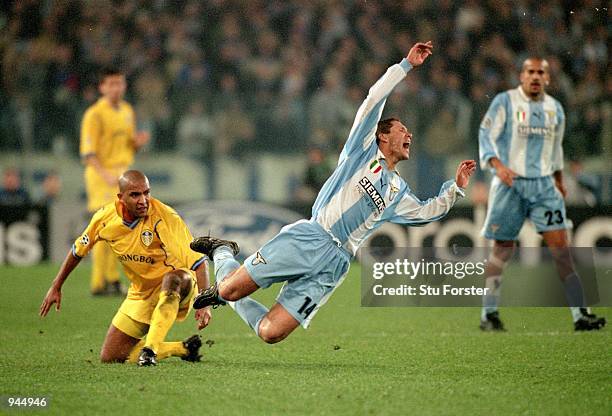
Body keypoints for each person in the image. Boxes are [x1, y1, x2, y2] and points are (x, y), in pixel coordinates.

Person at [190, 42, 476, 344]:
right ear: (382, 136)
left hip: (336, 264)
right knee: (231, 290)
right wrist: (405, 66)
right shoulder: (361, 151)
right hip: (311, 238)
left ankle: (222, 288)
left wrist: (455, 189)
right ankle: (222, 253)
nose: (410, 135)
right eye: (402, 130)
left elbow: (425, 212)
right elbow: (374, 99)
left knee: (270, 332)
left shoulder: (397, 190)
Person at [478, 58, 606, 331]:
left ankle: (580, 315)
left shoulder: (555, 109)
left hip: (544, 186)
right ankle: (489, 314)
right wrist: (497, 165)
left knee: (562, 251)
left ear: (547, 78)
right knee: (502, 250)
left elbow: (555, 148)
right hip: (509, 185)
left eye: (541, 72)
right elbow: (486, 133)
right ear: (521, 75)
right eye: (530, 72)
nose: (535, 76)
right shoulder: (504, 101)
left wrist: (559, 179)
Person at [40, 170, 212, 366]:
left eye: (146, 193)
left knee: (173, 279)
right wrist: (56, 285)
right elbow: (78, 250)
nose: (143, 200)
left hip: (179, 284)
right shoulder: (105, 218)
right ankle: (183, 349)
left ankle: (149, 351)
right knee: (111, 356)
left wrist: (204, 303)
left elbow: (199, 262)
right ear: (121, 198)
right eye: (135, 195)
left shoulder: (164, 216)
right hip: (141, 292)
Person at [80, 66, 150, 296]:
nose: (116, 88)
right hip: (102, 176)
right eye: (111, 84)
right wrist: (105, 174)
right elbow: (88, 152)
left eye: (119, 83)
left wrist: (138, 142)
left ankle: (110, 280)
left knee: (118, 228)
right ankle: (99, 283)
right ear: (102, 87)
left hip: (122, 176)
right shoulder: (94, 114)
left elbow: (128, 144)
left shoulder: (127, 111)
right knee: (102, 228)